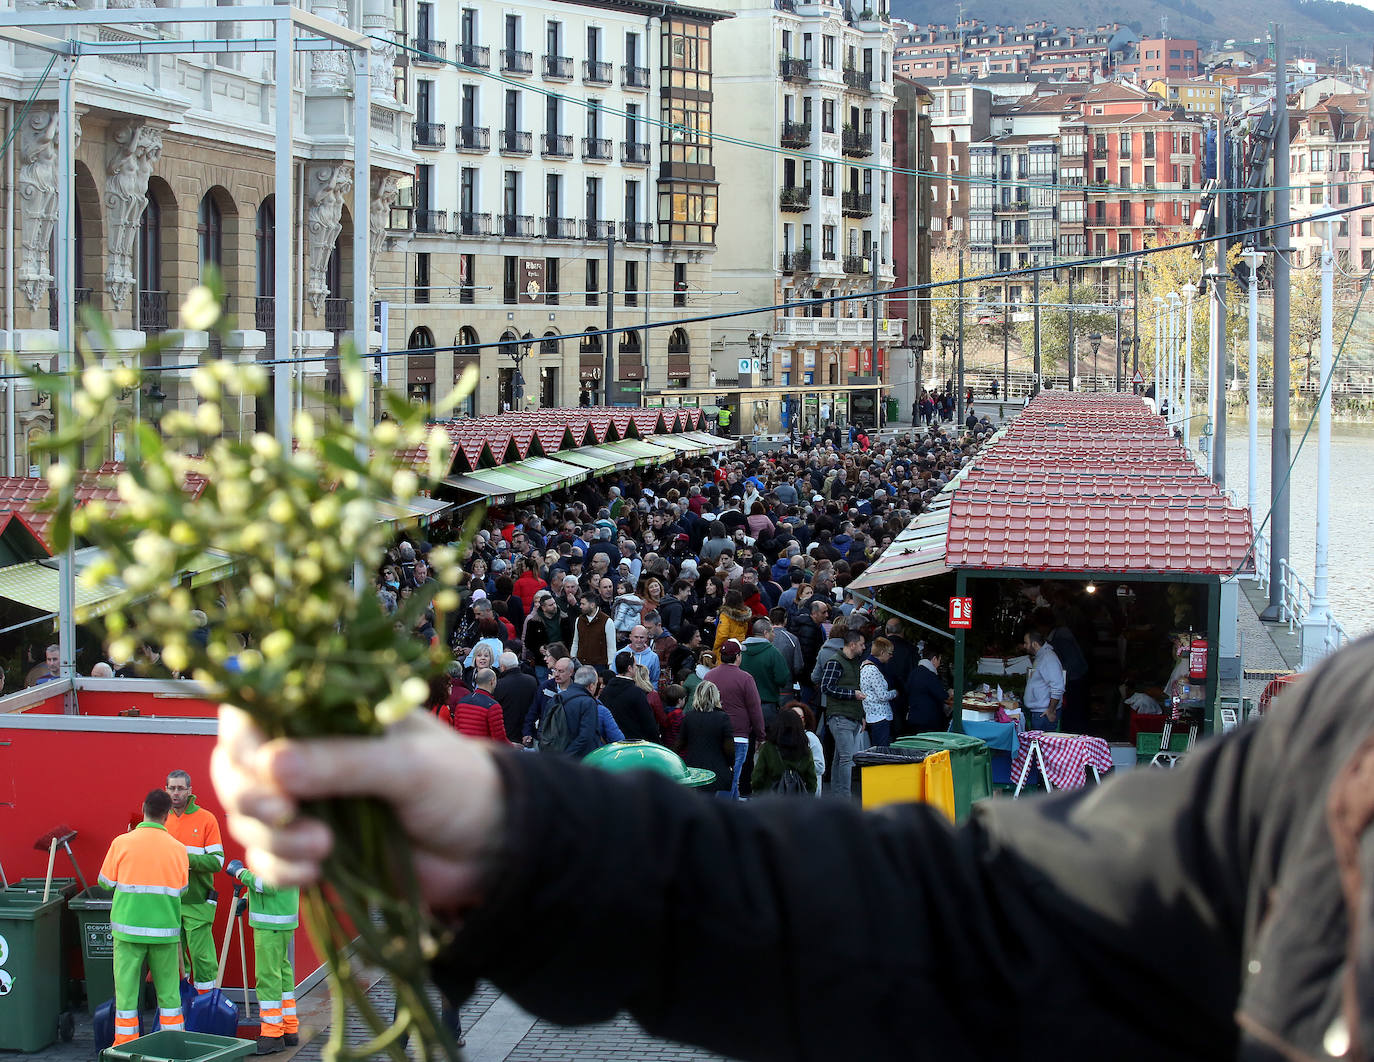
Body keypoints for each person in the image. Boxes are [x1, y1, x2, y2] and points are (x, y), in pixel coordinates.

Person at [99, 789, 189, 1046]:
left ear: (143, 808)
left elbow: (105, 882)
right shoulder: (178, 849)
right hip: (164, 934)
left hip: (128, 932)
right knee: (169, 996)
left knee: (126, 995)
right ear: (167, 815)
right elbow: (183, 889)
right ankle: (172, 1046)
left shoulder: (121, 842)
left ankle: (125, 1045)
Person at [225, 858, 301, 1054]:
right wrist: (248, 899)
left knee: (268, 976)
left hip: (270, 924)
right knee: (282, 972)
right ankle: (289, 1028)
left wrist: (240, 873)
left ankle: (272, 1034)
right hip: (280, 920)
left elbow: (268, 884)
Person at [164, 769, 224, 995]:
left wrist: (184, 859)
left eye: (180, 788)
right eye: (172, 788)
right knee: (172, 960)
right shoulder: (160, 819)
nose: (176, 793)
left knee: (202, 958)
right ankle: (180, 1004)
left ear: (190, 790)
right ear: (165, 790)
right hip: (167, 901)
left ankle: (205, 1002)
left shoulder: (206, 819)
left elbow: (217, 862)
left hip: (197, 901)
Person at [704, 639, 766, 799]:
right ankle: (724, 812)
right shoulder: (745, 678)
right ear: (738, 656)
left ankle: (731, 809)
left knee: (724, 777)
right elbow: (755, 709)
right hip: (738, 734)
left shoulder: (709, 676)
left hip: (714, 733)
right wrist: (761, 736)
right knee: (732, 779)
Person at [818, 630, 867, 799]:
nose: (864, 647)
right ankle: (844, 797)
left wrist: (861, 715)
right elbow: (826, 687)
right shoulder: (836, 662)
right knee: (846, 757)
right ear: (852, 645)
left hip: (850, 715)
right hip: (840, 715)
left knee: (840, 757)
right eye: (861, 644)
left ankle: (838, 796)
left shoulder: (852, 662)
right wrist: (852, 694)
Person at [674, 679, 733, 796]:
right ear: (716, 696)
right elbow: (729, 748)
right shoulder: (723, 718)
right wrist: (731, 763)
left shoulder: (689, 717)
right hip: (716, 768)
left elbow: (679, 744)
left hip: (694, 767)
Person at [537, 664, 601, 757]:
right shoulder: (588, 702)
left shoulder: (556, 698)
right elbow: (586, 736)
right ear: (591, 686)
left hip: (552, 756)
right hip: (577, 760)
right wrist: (565, 756)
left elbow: (543, 728)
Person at [750, 709, 818, 796]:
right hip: (798, 799)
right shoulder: (805, 750)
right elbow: (812, 780)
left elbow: (758, 777)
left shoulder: (768, 748)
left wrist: (758, 794)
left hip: (770, 799)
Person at [739, 618, 791, 728]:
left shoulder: (740, 653)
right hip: (767, 707)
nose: (774, 635)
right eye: (772, 631)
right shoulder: (773, 653)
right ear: (765, 633)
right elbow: (782, 679)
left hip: (744, 707)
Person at [600, 652, 660, 742]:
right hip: (633, 744)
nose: (636, 668)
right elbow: (648, 723)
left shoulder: (605, 691)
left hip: (611, 744)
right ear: (629, 668)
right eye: (635, 665)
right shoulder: (637, 693)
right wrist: (657, 743)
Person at [1022, 627, 1065, 732]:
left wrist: (1051, 710)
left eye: (1026, 643)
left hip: (1044, 715)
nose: (1024, 646)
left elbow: (1058, 687)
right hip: (1040, 713)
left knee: (1041, 742)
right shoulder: (1041, 656)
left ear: (1035, 644)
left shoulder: (1048, 658)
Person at [451, 668, 510, 743]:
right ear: (492, 681)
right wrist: (513, 747)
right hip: (483, 748)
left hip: (464, 747)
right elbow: (499, 739)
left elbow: (457, 730)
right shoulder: (493, 706)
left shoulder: (462, 702)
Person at [859, 637, 897, 748]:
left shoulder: (864, 665)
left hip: (871, 714)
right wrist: (895, 693)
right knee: (881, 750)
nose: (891, 656)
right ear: (882, 653)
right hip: (880, 716)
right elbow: (882, 695)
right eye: (890, 653)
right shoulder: (873, 670)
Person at [494, 652, 538, 743]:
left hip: (507, 734)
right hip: (527, 732)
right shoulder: (532, 681)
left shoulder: (499, 685)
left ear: (503, 667)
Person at [906, 645, 949, 734]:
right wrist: (949, 692)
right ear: (934, 659)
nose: (939, 664)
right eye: (939, 660)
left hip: (914, 716)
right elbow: (942, 695)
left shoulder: (914, 672)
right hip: (928, 719)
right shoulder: (930, 675)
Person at [570, 591, 617, 673]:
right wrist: (573, 658)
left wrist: (611, 666)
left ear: (592, 605)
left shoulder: (607, 621)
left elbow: (611, 647)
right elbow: (576, 641)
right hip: (581, 664)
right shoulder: (579, 620)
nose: (580, 606)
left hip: (599, 666)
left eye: (583, 604)